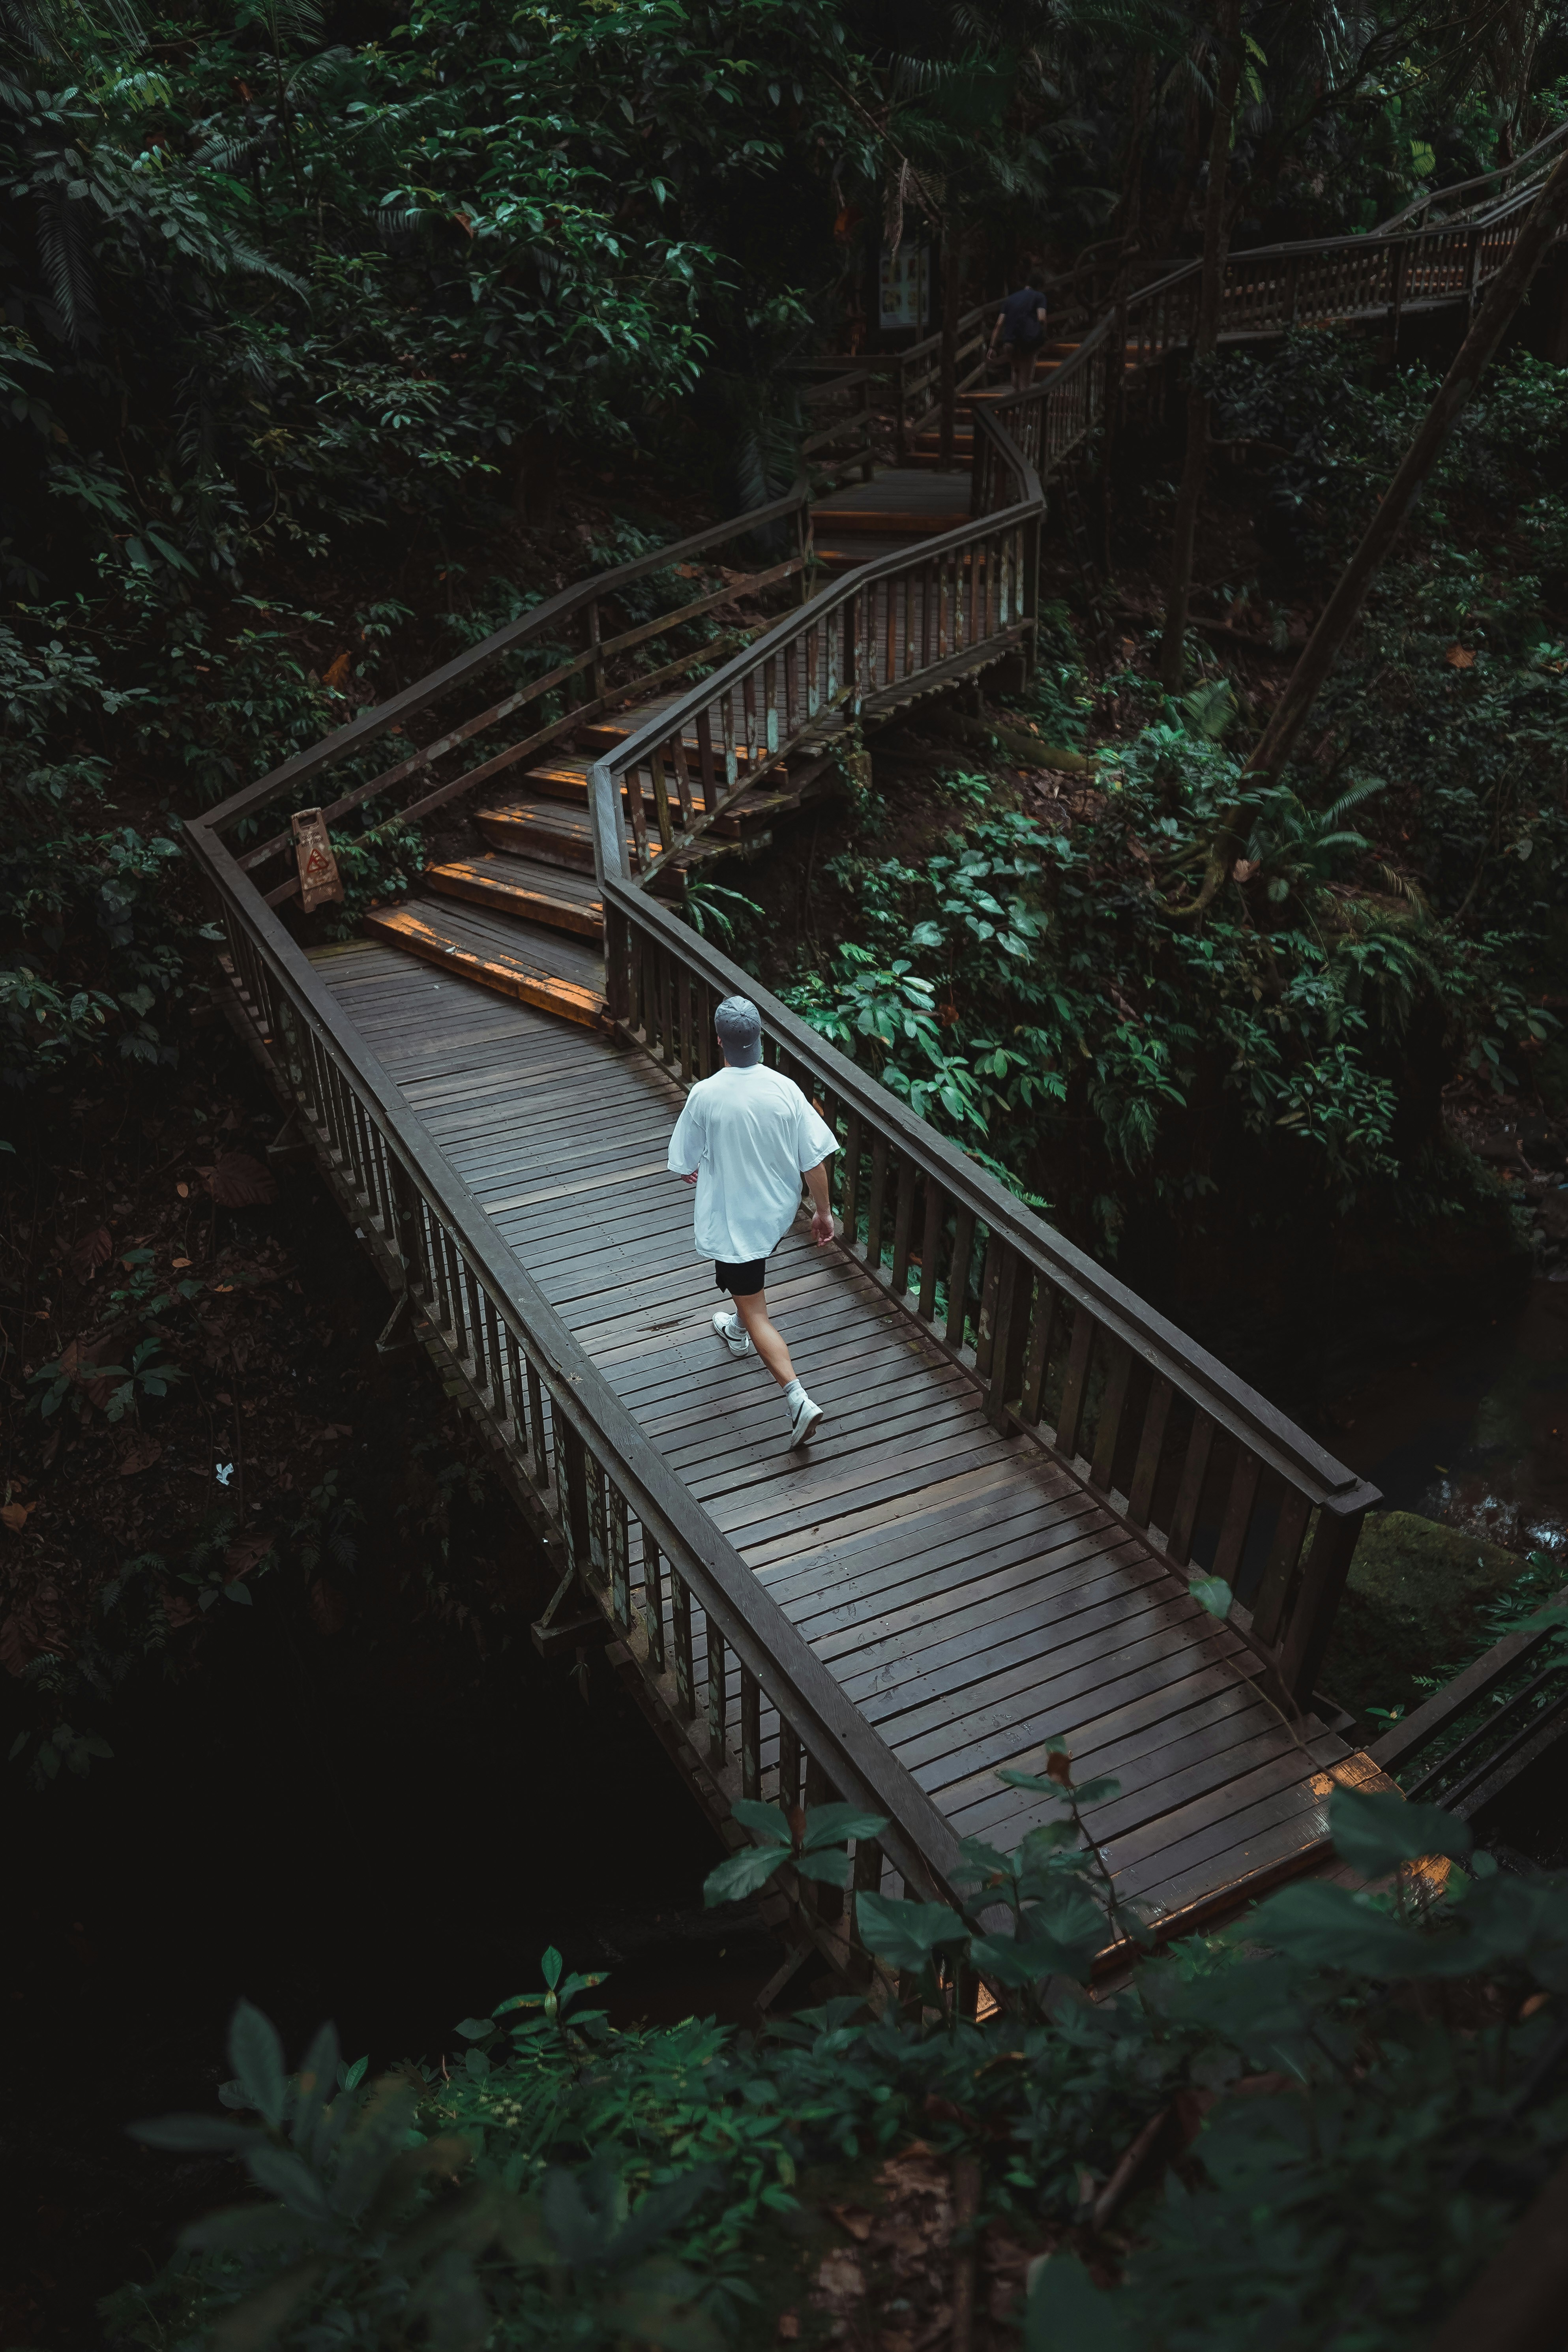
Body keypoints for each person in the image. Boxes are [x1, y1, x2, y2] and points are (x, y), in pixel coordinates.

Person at [667, 994, 837, 1449]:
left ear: (721, 1040)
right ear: (759, 1037)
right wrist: (822, 1212)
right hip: (776, 1214)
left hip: (737, 1226)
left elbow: (683, 1162)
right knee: (750, 1287)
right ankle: (738, 1331)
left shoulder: (705, 1094)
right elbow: (814, 1160)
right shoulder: (785, 1089)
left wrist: (699, 1164)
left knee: (755, 1306)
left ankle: (798, 1399)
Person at [988, 281, 1049, 393]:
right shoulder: (1039, 297)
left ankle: (1016, 402)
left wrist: (992, 347)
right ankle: (1022, 408)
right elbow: (1042, 319)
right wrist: (1041, 338)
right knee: (1024, 382)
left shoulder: (1010, 299)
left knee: (1016, 371)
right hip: (1028, 344)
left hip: (1009, 345)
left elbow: (998, 325)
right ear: (1039, 287)